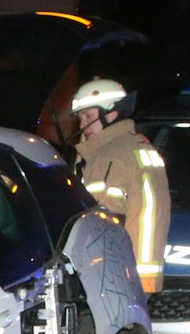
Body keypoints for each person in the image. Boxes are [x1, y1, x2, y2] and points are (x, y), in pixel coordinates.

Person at [71, 78, 171, 294]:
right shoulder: (138, 145)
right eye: (79, 117)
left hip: (117, 274)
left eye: (88, 116)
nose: (81, 125)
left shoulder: (109, 155)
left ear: (111, 114)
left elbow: (97, 221)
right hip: (140, 271)